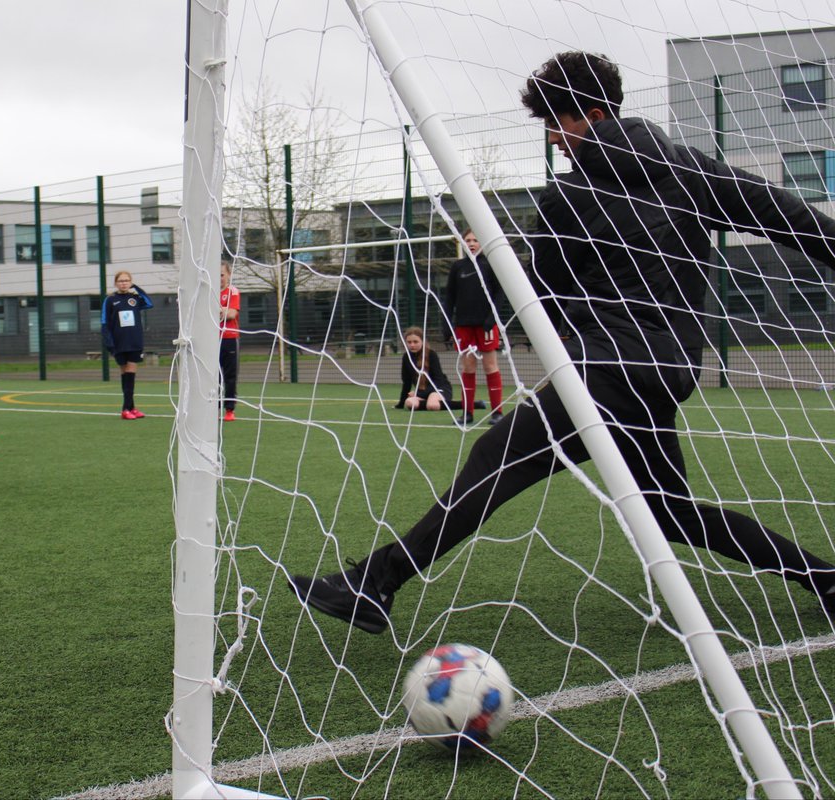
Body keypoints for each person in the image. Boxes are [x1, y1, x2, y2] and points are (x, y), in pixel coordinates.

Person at [290, 51, 835, 633]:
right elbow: (791, 216)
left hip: (606, 373)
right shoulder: (690, 169)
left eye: (557, 122)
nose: (553, 138)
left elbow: (546, 302)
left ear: (593, 114)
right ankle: (824, 578)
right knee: (669, 513)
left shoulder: (564, 199)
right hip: (666, 372)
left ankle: (375, 585)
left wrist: (565, 354)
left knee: (492, 458)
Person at [444, 230, 504, 425]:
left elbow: (500, 294)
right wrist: (446, 324)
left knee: (490, 366)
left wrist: (491, 319)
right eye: (467, 240)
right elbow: (450, 297)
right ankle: (467, 413)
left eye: (475, 240)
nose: (471, 243)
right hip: (464, 326)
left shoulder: (490, 265)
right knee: (468, 368)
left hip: (485, 325)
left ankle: (497, 413)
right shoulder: (458, 267)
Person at [101, 270, 154, 419]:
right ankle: (129, 408)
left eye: (126, 280)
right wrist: (109, 343)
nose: (124, 283)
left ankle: (128, 408)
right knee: (125, 375)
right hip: (119, 343)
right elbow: (105, 323)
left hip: (134, 341)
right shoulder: (110, 300)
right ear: (116, 283)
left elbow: (150, 303)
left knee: (130, 374)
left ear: (130, 282)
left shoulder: (135, 298)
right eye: (121, 281)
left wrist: (136, 287)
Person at [395, 326, 458, 413]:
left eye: (415, 342)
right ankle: (431, 403)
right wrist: (401, 404)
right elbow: (407, 382)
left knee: (432, 405)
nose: (412, 345)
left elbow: (438, 380)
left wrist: (419, 394)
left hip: (439, 389)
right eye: (409, 342)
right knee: (410, 403)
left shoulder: (431, 354)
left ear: (422, 341)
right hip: (424, 393)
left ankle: (472, 404)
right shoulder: (406, 357)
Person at [219, 258, 241, 422]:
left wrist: (221, 310)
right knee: (213, 376)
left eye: (221, 275)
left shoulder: (233, 291)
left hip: (229, 338)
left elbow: (232, 314)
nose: (219, 278)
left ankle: (229, 409)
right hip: (211, 340)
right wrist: (222, 310)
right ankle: (214, 407)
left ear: (228, 274)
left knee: (230, 375)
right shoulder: (208, 291)